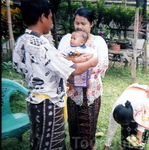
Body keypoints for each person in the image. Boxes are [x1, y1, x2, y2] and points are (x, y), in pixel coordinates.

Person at [13, 0, 98, 149]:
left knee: (39, 139)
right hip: (48, 104)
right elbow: (72, 69)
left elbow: (17, 67)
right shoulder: (42, 45)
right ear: (42, 17)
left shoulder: (22, 40)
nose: (51, 22)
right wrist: (91, 62)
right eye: (50, 18)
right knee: (51, 143)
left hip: (34, 101)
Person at [58, 7, 109, 150]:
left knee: (89, 126)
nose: (79, 26)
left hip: (91, 92)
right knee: (74, 126)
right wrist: (78, 68)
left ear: (91, 24)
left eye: (83, 23)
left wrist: (80, 70)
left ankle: (90, 146)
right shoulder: (67, 39)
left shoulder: (98, 41)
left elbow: (102, 63)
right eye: (76, 23)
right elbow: (58, 61)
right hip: (73, 93)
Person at [104, 83, 149, 150]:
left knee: (140, 132)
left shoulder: (142, 104)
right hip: (133, 94)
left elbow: (145, 119)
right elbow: (112, 127)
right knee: (126, 129)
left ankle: (139, 147)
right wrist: (106, 146)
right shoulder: (116, 109)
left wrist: (139, 134)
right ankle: (126, 146)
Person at [61, 30, 97, 97]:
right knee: (70, 78)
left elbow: (92, 54)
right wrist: (61, 54)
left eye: (74, 38)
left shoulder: (86, 49)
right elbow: (63, 54)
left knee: (88, 78)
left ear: (82, 42)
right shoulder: (69, 48)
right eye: (71, 38)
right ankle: (72, 89)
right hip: (74, 68)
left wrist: (88, 57)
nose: (71, 40)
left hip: (84, 67)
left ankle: (89, 89)